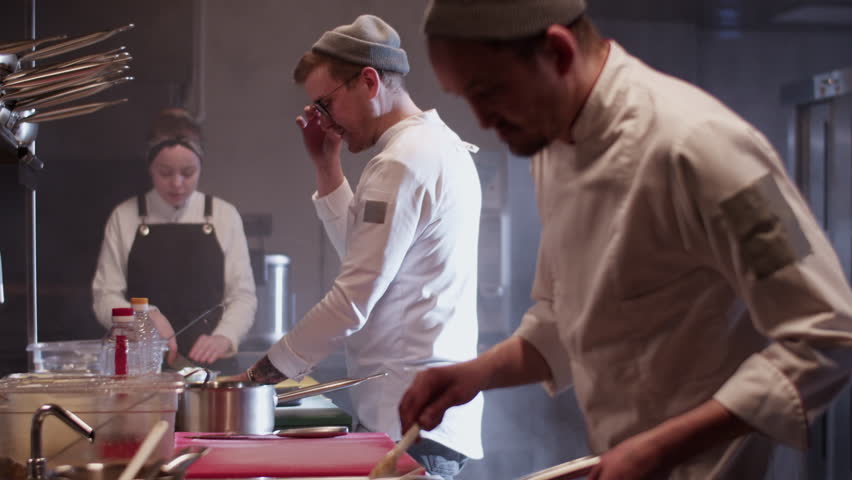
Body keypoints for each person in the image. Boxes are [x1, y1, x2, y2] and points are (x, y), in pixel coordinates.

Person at [398, 1, 852, 479]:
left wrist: (660, 448)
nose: (483, 120)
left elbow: (829, 330)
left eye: (489, 91)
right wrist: (476, 374)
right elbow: (569, 318)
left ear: (557, 51)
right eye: (464, 97)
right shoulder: (550, 144)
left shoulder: (705, 147)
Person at [229, 15, 483, 480]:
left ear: (368, 82)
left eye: (325, 104)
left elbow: (352, 302)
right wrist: (327, 166)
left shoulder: (403, 161)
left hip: (411, 419)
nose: (322, 121)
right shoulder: (430, 145)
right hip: (417, 416)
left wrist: (256, 379)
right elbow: (368, 259)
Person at [92, 107, 257, 372]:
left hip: (211, 369)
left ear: (201, 166)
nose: (177, 183)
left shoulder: (224, 216)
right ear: (149, 167)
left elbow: (243, 296)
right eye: (165, 172)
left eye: (188, 172)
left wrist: (225, 335)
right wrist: (142, 318)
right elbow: (105, 296)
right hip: (142, 367)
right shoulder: (125, 216)